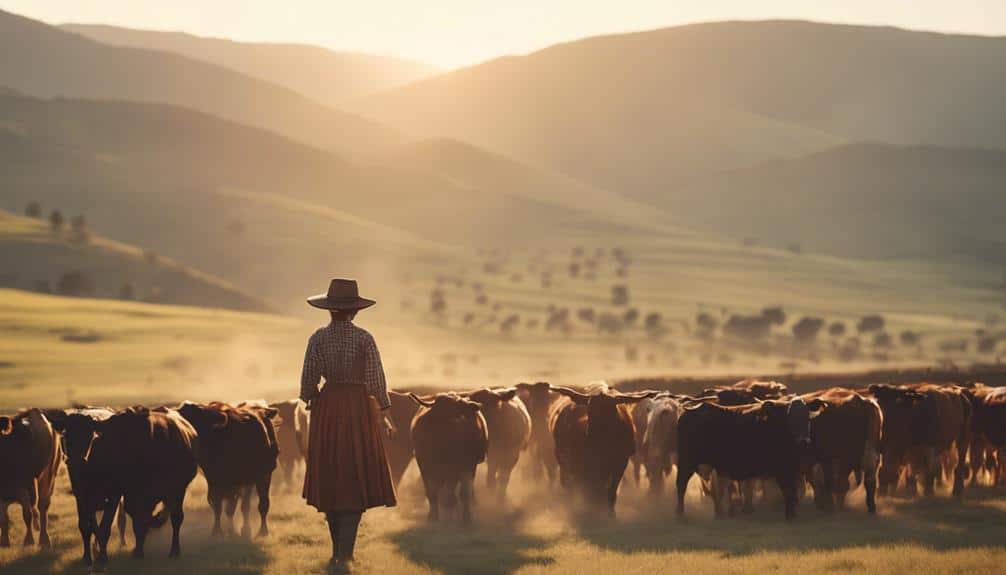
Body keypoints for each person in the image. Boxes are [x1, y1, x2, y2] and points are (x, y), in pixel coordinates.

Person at [300, 278, 397, 574]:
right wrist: (383, 409)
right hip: (358, 408)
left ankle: (336, 554)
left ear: (329, 310)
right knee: (355, 474)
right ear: (355, 312)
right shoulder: (365, 338)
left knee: (331, 474)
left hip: (328, 408)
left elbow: (308, 382)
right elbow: (376, 380)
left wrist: (313, 399)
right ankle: (346, 554)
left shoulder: (317, 338)